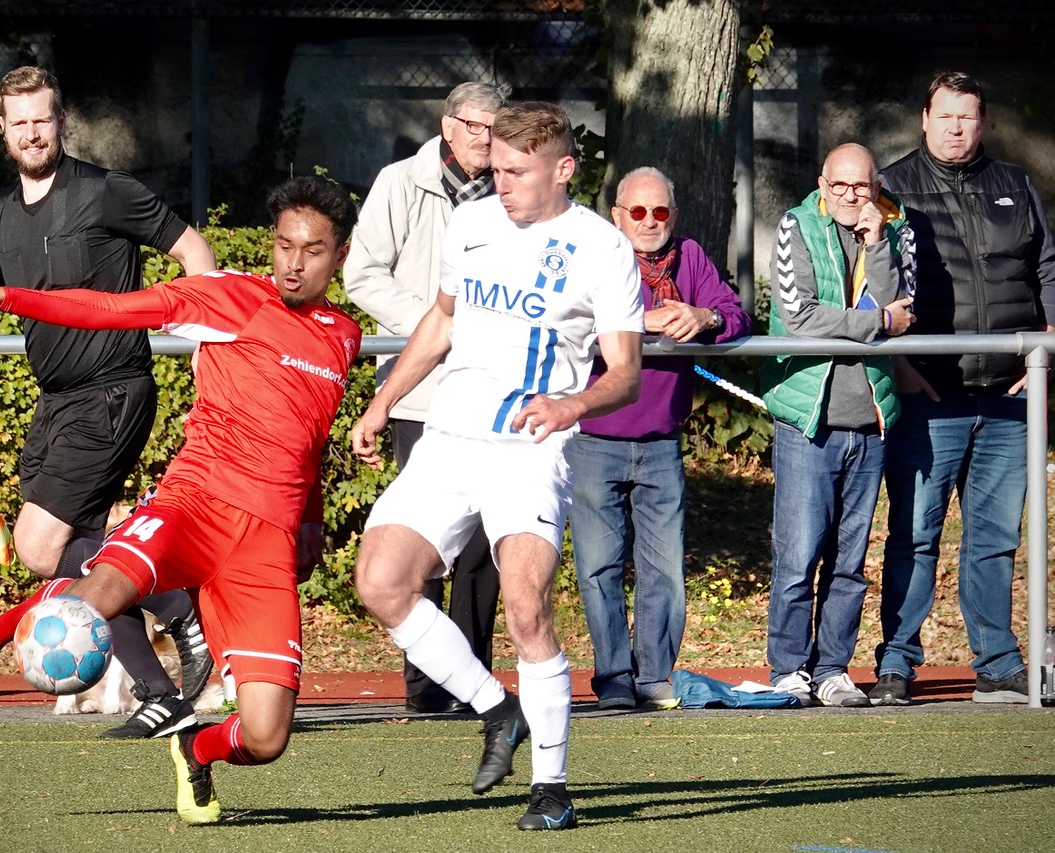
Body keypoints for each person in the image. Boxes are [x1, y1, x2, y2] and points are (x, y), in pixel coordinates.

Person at [0, 175, 361, 825]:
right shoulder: (231, 297)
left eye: (312, 249)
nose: (293, 262)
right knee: (95, 605)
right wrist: (3, 296)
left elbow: (309, 434)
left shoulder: (343, 336)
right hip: (195, 506)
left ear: (339, 255)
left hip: (265, 544)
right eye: (284, 245)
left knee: (265, 736)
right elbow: (109, 309)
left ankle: (198, 750)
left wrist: (313, 518)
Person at [350, 102, 644, 831]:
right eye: (495, 168)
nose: (499, 181)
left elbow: (626, 373)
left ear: (563, 168)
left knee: (524, 605)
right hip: (450, 436)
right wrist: (385, 399)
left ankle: (551, 787)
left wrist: (570, 407)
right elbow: (443, 319)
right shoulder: (472, 222)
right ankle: (496, 708)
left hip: (529, 445)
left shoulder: (600, 248)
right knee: (381, 581)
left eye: (516, 171)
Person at [0, 66, 218, 739]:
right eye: (19, 122)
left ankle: (176, 607)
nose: (32, 132)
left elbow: (195, 252)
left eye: (41, 119)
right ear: (3, 130)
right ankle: (159, 690)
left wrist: (205, 337)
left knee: (40, 545)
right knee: (83, 548)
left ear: (62, 121)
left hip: (113, 390)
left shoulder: (105, 193)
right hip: (57, 402)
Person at [873, 71, 1055, 705]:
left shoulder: (1015, 185)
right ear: (925, 119)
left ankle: (999, 662)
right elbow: (872, 281)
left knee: (996, 537)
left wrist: (1046, 354)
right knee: (914, 533)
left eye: (968, 116)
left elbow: (1047, 268)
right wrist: (898, 364)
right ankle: (897, 662)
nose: (956, 128)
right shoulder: (892, 186)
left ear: (984, 123)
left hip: (1010, 395)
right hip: (930, 396)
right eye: (945, 116)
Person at [344, 81, 510, 714]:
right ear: (448, 125)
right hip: (420, 396)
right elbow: (362, 272)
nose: (485, 137)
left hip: (494, 397)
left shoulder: (514, 193)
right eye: (474, 125)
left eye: (497, 127)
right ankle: (423, 688)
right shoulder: (398, 182)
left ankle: (474, 684)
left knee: (482, 554)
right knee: (419, 549)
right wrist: (433, 327)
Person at [565, 166, 751, 712]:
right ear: (617, 215)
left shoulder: (691, 258)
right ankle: (614, 678)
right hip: (594, 437)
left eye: (661, 211)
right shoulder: (592, 254)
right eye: (637, 212)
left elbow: (738, 315)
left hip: (663, 442)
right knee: (598, 566)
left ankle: (653, 678)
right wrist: (637, 322)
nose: (649, 222)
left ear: (675, 215)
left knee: (664, 569)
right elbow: (567, 323)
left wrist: (705, 315)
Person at [762, 143, 916, 707]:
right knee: (799, 555)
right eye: (842, 186)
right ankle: (788, 667)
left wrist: (877, 244)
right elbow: (800, 316)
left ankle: (832, 668)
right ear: (823, 185)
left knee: (849, 564)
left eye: (863, 186)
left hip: (870, 419)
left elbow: (902, 306)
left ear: (875, 185)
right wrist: (874, 322)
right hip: (810, 418)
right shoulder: (794, 226)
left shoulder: (894, 229)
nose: (853, 196)